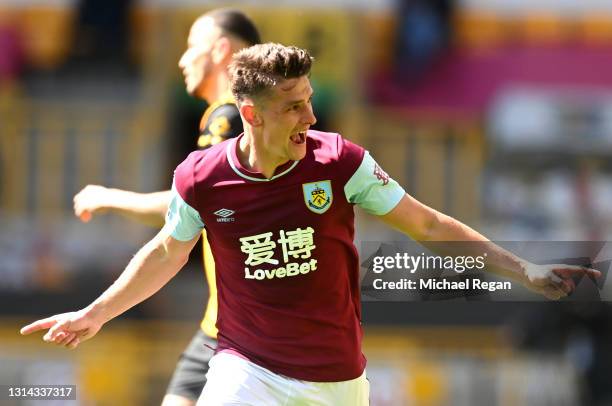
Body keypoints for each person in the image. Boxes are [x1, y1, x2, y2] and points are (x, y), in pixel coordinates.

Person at [21, 43, 600, 405]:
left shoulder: (341, 162)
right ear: (250, 114)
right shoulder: (200, 177)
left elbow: (427, 224)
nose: (310, 116)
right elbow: (167, 251)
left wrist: (523, 268)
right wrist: (94, 312)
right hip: (245, 368)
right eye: (293, 106)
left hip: (337, 381)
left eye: (310, 100)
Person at [71, 9, 260, 406]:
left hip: (251, 332)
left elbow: (189, 203)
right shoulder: (229, 117)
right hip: (217, 325)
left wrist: (110, 197)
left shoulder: (231, 118)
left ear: (221, 49)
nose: (182, 59)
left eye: (192, 46)